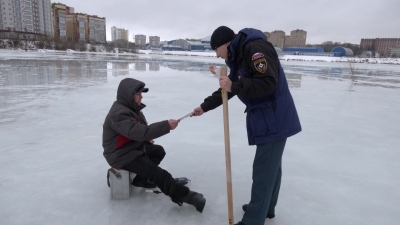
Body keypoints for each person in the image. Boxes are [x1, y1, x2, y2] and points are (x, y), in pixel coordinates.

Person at [191, 26, 301, 225]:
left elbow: (268, 82)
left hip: (273, 117)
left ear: (225, 44)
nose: (216, 55)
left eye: (216, 50)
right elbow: (230, 87)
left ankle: (253, 220)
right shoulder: (240, 55)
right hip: (268, 117)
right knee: (271, 168)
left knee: (264, 170)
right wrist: (204, 107)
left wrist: (233, 86)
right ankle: (265, 208)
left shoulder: (254, 49)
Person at [103, 78, 206, 213]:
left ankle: (141, 179)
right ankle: (184, 195)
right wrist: (166, 126)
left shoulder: (133, 109)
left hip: (130, 148)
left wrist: (145, 141)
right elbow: (139, 131)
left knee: (158, 151)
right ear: (128, 95)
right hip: (120, 155)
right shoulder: (118, 114)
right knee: (156, 172)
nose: (141, 96)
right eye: (138, 93)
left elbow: (137, 131)